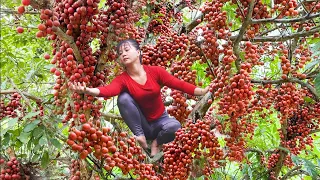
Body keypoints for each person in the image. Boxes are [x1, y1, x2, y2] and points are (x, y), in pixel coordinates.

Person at [69, 39, 209, 157]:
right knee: (123, 98)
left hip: (162, 122)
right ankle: (140, 136)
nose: (123, 54)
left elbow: (179, 84)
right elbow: (108, 90)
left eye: (127, 50)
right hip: (143, 125)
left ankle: (156, 143)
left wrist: (203, 91)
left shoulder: (155, 72)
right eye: (120, 53)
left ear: (138, 52)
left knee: (176, 126)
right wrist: (87, 90)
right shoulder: (122, 79)